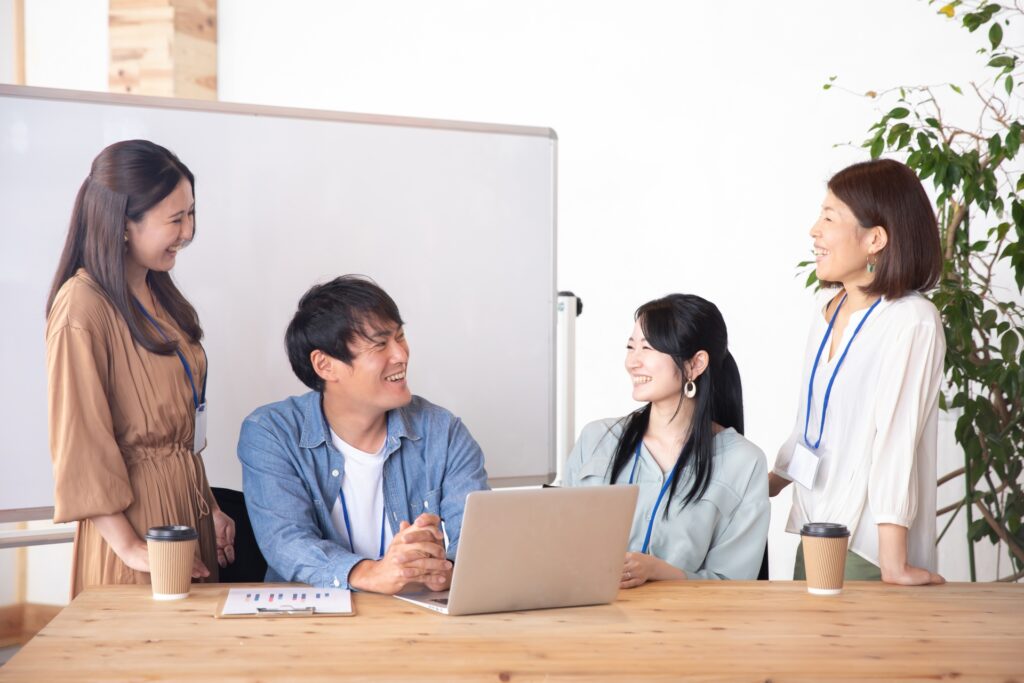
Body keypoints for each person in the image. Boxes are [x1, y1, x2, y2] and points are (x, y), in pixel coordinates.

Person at [46, 140, 235, 598]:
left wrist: (209, 503)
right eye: (175, 219)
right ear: (123, 224)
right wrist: (130, 548)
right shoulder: (82, 306)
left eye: (191, 214)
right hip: (137, 530)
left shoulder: (159, 294)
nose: (187, 232)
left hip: (187, 516)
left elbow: (180, 431)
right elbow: (82, 446)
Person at [238, 275, 489, 592]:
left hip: (417, 620)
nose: (401, 354)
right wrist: (373, 573)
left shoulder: (444, 433)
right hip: (310, 625)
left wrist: (441, 569)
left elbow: (477, 541)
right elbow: (286, 541)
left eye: (400, 336)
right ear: (325, 365)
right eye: (381, 344)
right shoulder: (272, 433)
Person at [770, 158, 946, 585]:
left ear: (875, 239)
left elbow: (895, 442)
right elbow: (812, 422)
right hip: (813, 535)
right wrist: (760, 483)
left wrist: (893, 563)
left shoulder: (911, 320)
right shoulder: (825, 309)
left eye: (829, 217)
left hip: (866, 549)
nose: (815, 230)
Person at [566, 294, 769, 583]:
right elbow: (559, 543)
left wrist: (660, 572)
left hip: (688, 624)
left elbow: (735, 584)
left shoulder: (744, 463)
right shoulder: (597, 439)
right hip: (593, 618)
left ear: (695, 364)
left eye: (647, 348)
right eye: (630, 346)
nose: (632, 362)